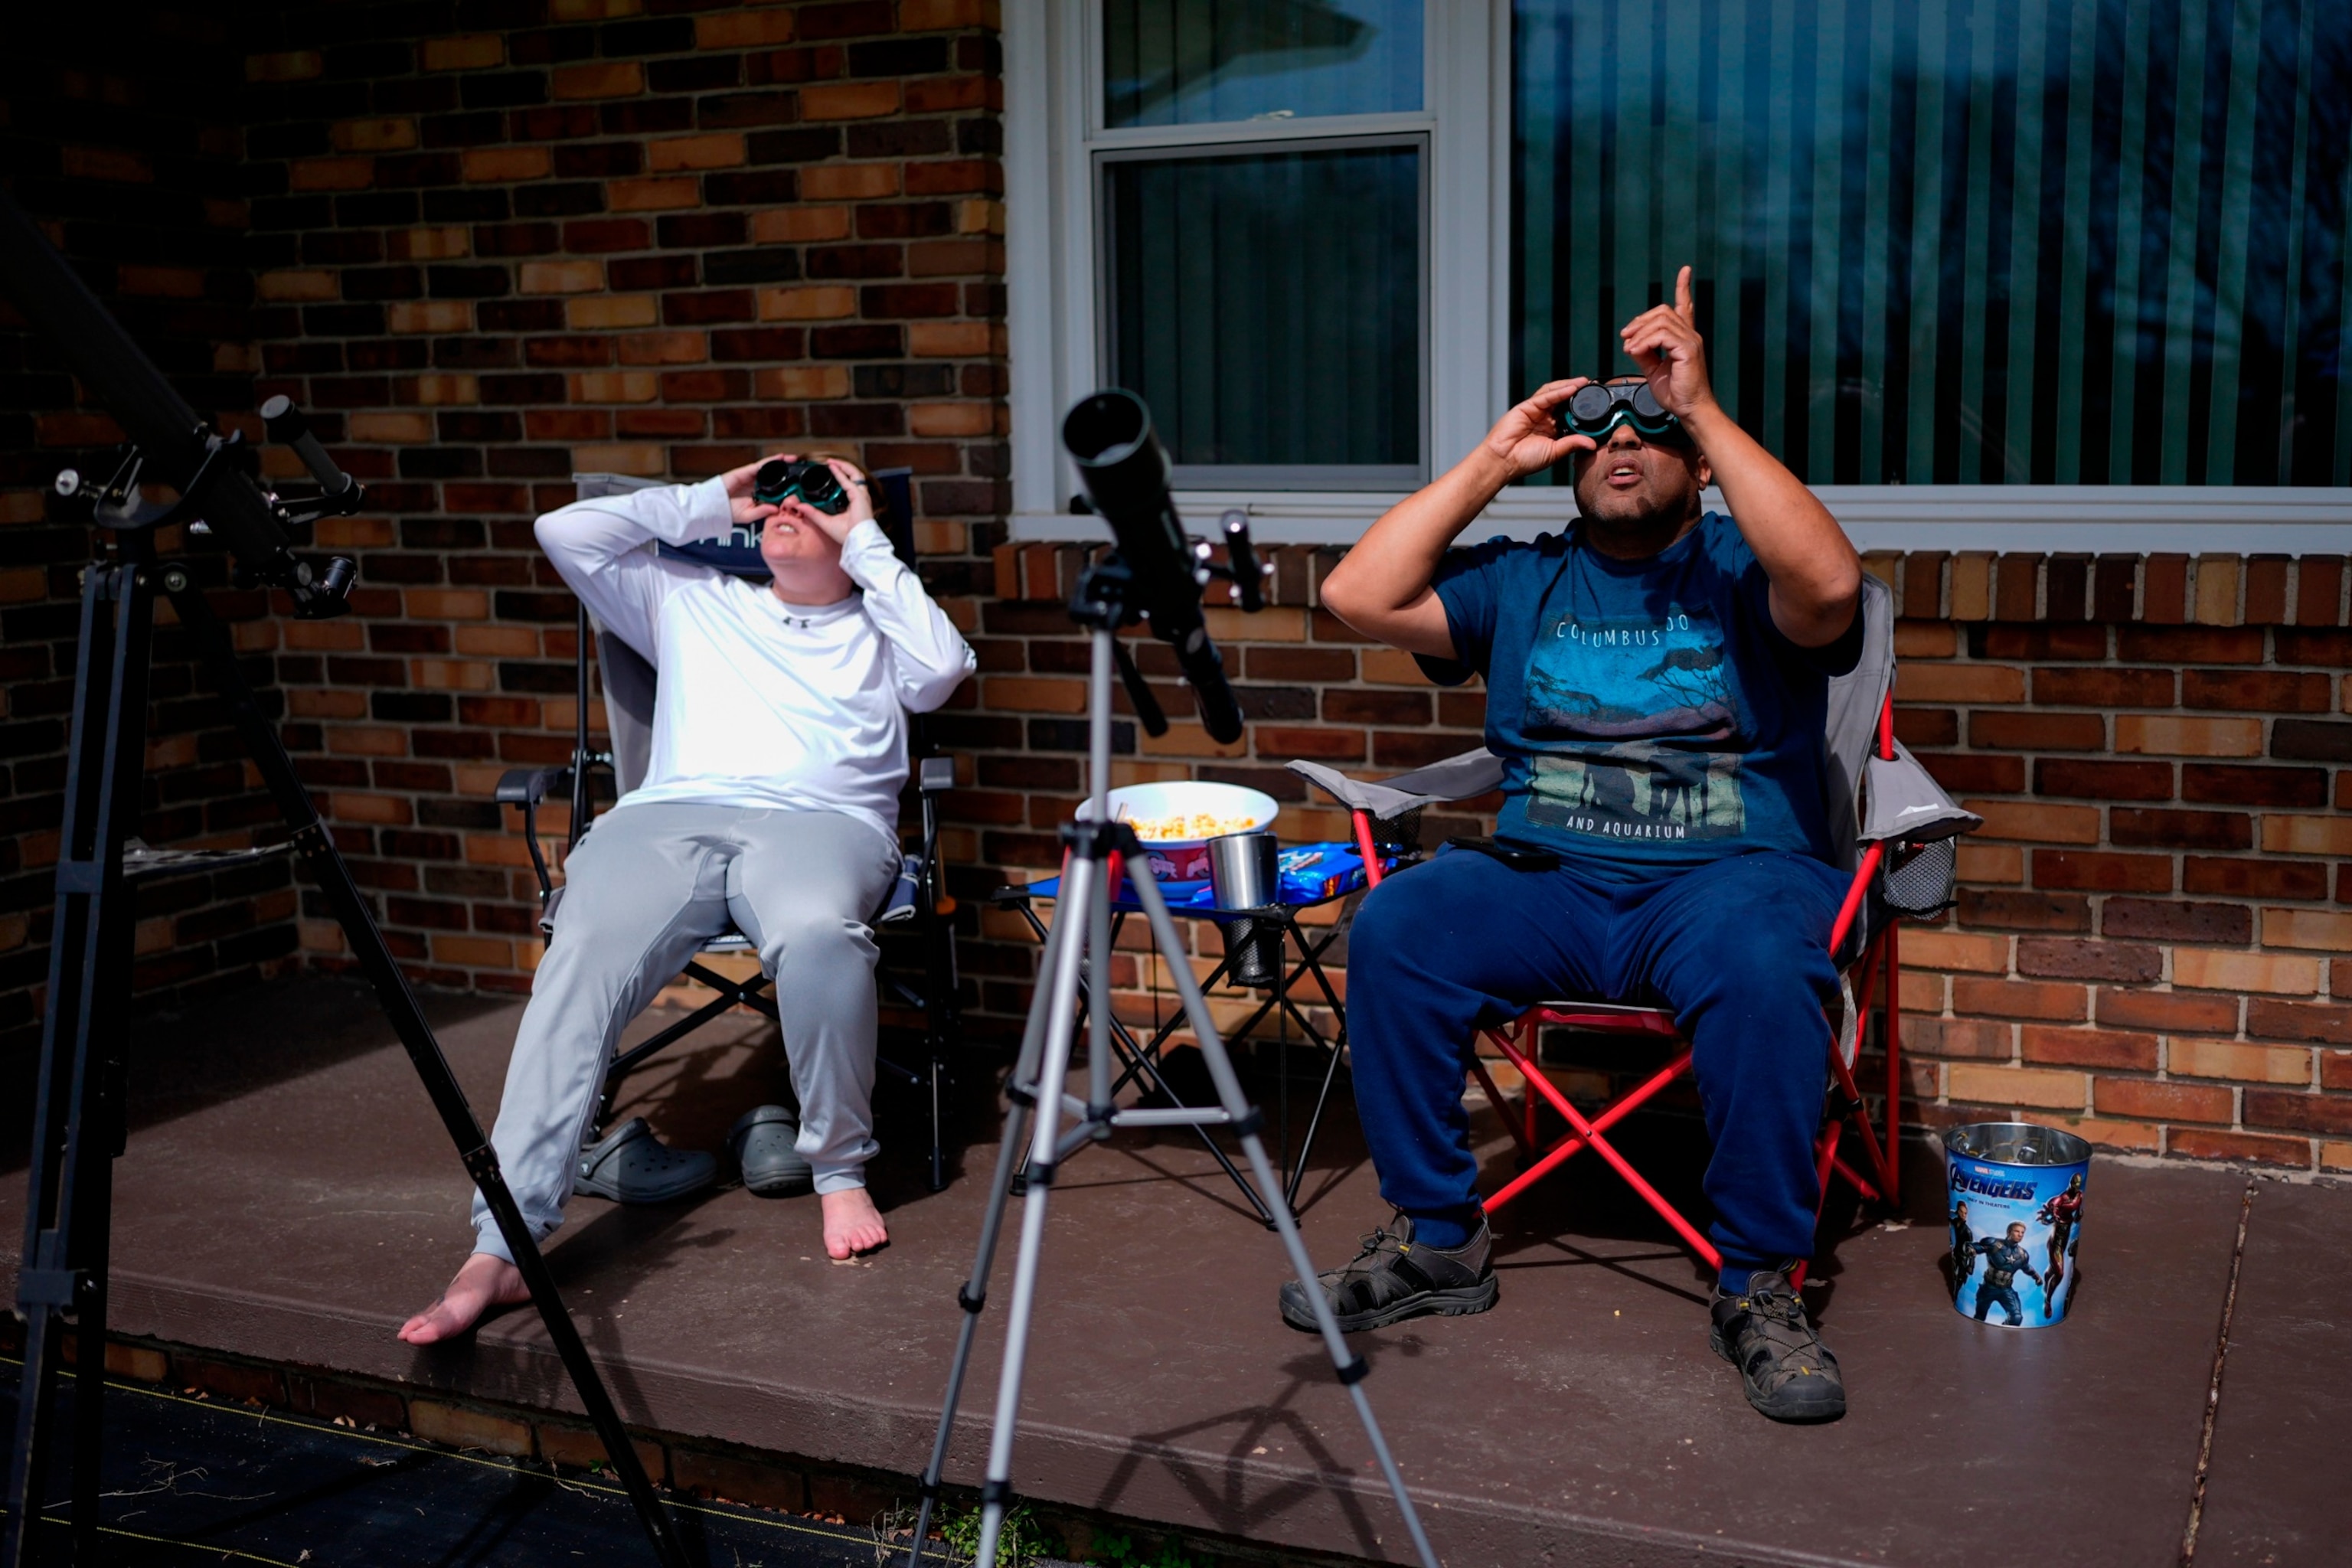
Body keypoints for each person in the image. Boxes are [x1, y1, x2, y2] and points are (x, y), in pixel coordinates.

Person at [1288, 267, 1866, 1423]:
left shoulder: (1743, 572)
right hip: (1549, 880)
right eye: (1599, 422)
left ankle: (1760, 1282)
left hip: (1727, 880)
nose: (1620, 437)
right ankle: (1444, 1241)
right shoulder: (1520, 581)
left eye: (1649, 426)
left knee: (1762, 971)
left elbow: (1834, 584)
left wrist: (1697, 403)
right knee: (1400, 924)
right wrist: (1494, 462)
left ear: (1697, 467)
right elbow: (1355, 594)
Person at [399, 453, 975, 1344]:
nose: (790, 506)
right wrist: (717, 499)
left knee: (820, 931)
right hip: (667, 819)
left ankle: (837, 1165)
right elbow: (564, 531)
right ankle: (502, 1244)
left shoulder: (882, 627)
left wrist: (862, 534)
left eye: (817, 497)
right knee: (579, 956)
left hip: (823, 825)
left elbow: (944, 668)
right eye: (777, 496)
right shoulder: (689, 596)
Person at [1971, 1223, 2043, 1326]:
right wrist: (1970, 1249)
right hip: (1988, 1288)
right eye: (2017, 1231)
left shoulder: (2022, 1254)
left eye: (2022, 1233)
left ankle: (2006, 1334)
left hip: (2006, 1290)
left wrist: (2036, 1277)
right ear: (2009, 1232)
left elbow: (2026, 1267)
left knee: (2017, 1318)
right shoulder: (1994, 1244)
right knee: (1979, 1318)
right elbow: (1978, 1247)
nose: (2020, 1235)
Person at [2038, 1174, 2084, 1315]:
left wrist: (2078, 1217)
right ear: (2070, 1184)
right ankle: (2048, 1303)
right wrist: (2048, 1217)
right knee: (2059, 1273)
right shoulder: (2059, 1201)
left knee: (2053, 1270)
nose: (2076, 1188)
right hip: (2055, 1243)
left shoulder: (2079, 1197)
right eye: (2074, 1185)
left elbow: (2077, 1214)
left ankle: (2046, 1283)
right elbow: (2046, 1217)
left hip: (2065, 1240)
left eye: (2078, 1186)